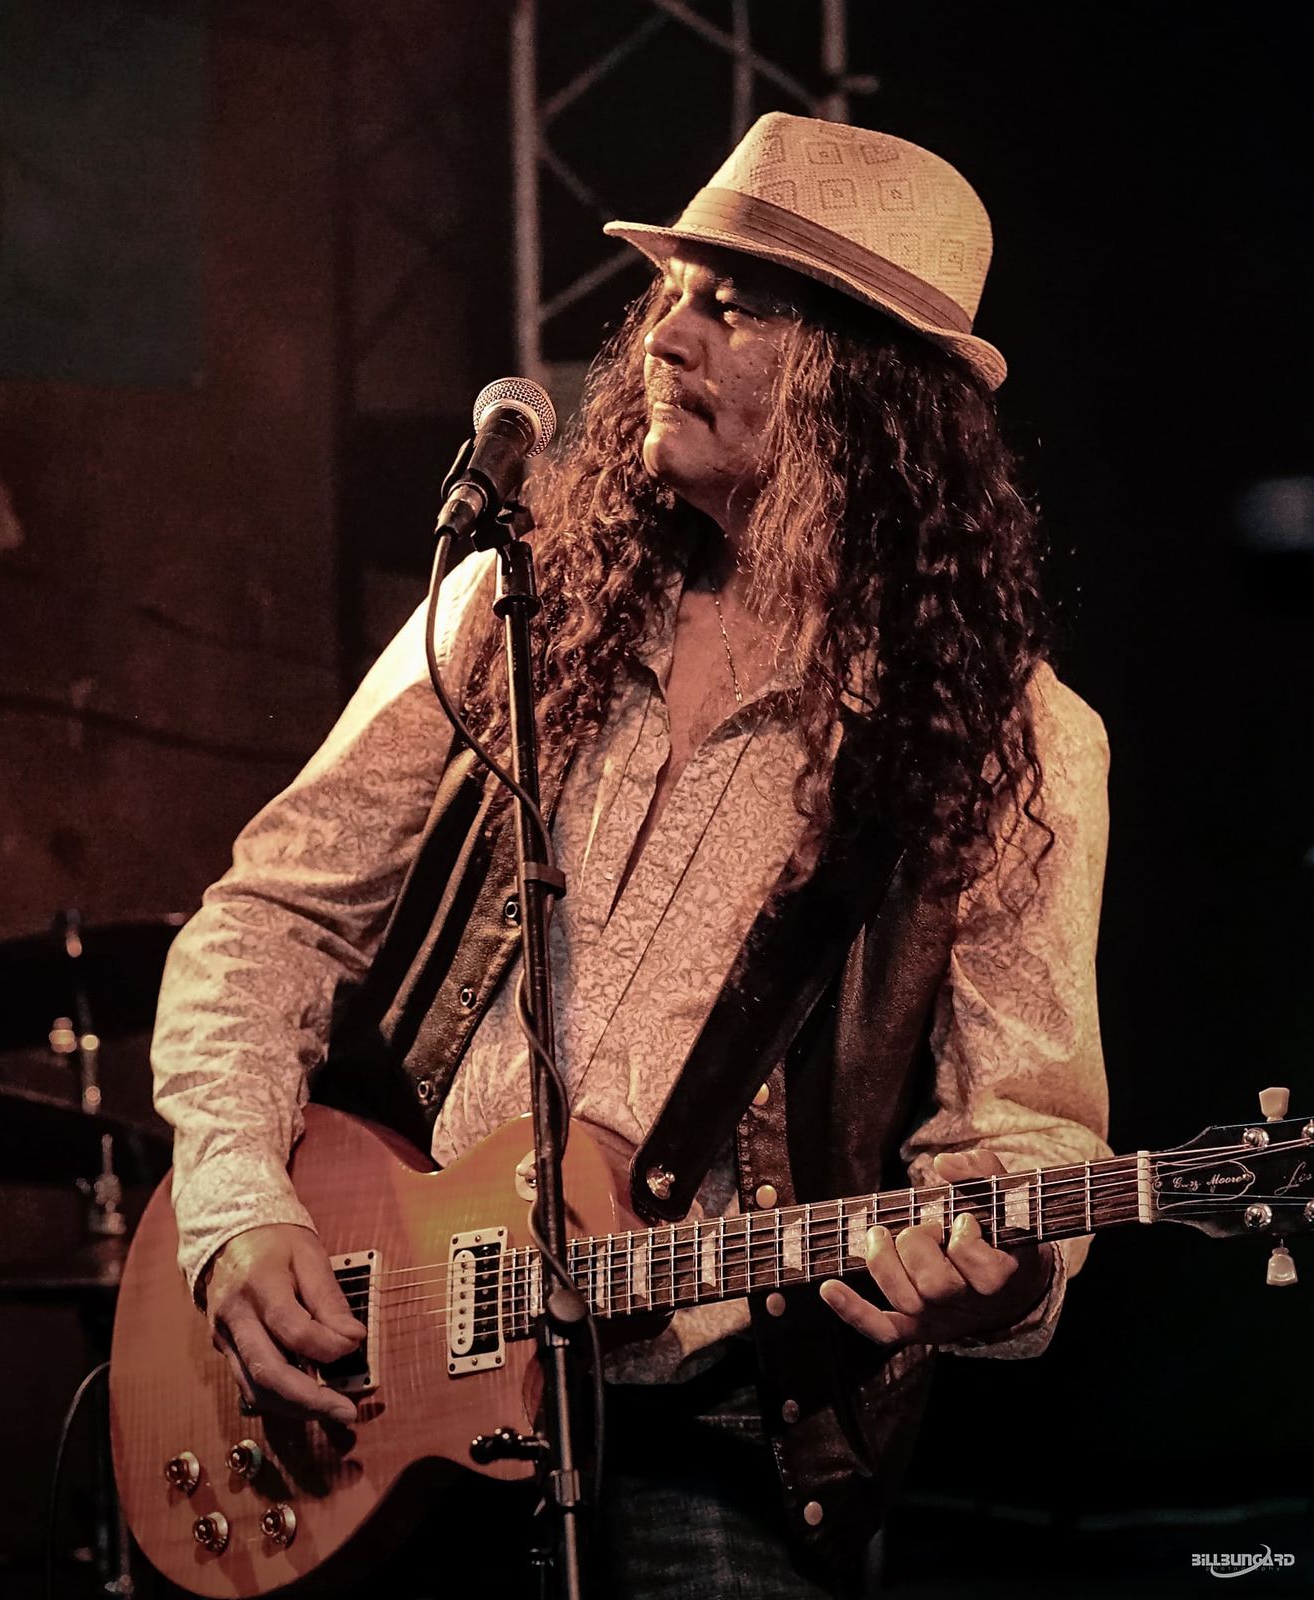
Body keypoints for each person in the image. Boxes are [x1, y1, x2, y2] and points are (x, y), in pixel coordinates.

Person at [151, 112, 1110, 1598]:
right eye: (674, 290)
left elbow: (1026, 1136)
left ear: (873, 393)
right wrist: (235, 1208)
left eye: (738, 306)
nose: (667, 335)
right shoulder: (515, 608)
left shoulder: (1011, 742)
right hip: (379, 1367)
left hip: (705, 1432)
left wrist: (996, 1273)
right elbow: (269, 920)